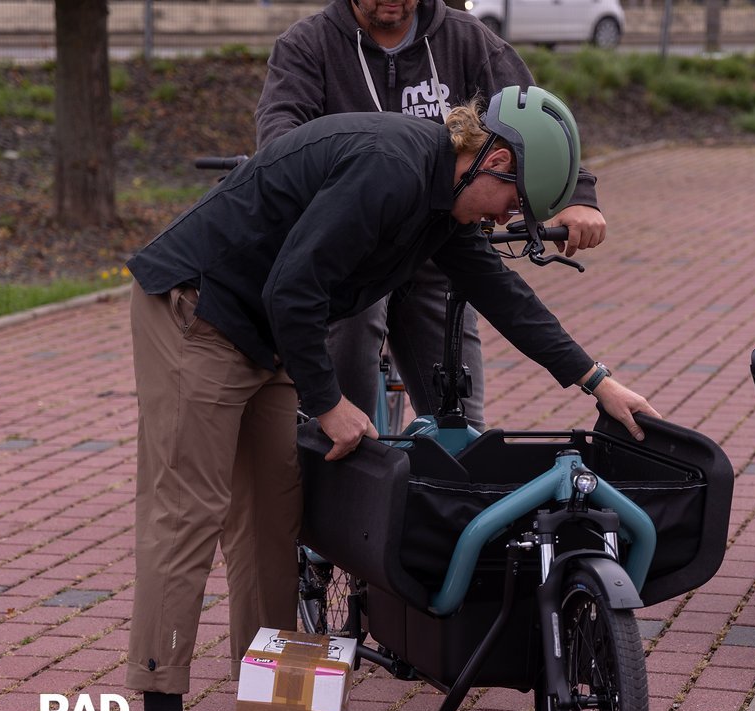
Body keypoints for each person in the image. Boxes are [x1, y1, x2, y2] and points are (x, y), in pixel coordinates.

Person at [122, 86, 659, 711]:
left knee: (271, 525)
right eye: (514, 200)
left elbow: (504, 296)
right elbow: (294, 285)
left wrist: (596, 381)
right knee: (189, 514)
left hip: (266, 330)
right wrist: (326, 401)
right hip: (196, 312)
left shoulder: (444, 205)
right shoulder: (391, 167)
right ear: (490, 158)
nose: (506, 218)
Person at [254, 0, 608, 430]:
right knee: (346, 367)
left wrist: (577, 195)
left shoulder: (467, 40)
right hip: (354, 250)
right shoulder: (308, 44)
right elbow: (282, 131)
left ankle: (452, 483)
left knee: (462, 424)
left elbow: (535, 127)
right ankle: (348, 455)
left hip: (443, 241)